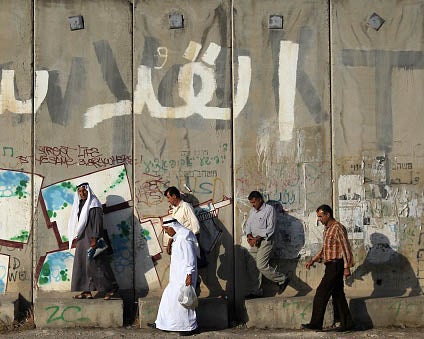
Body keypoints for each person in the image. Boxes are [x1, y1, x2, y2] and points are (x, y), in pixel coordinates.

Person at [302, 204, 354, 332]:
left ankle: (315, 323)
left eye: (320, 216)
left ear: (327, 214)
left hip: (336, 265)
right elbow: (325, 249)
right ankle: (347, 324)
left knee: (321, 293)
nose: (319, 219)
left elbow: (345, 247)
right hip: (330, 265)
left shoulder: (337, 228)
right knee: (338, 294)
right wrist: (313, 260)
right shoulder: (327, 229)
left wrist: (347, 267)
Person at [68, 182, 118, 300]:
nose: (82, 193)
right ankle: (87, 291)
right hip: (82, 239)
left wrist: (94, 238)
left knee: (97, 265)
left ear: (88, 190)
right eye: (80, 191)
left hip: (92, 239)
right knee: (83, 265)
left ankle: (111, 288)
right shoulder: (81, 204)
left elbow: (97, 223)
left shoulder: (94, 204)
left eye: (84, 190)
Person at [150, 219, 199, 335]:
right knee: (168, 299)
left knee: (184, 301)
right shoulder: (179, 237)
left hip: (184, 276)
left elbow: (190, 258)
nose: (166, 232)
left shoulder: (184, 238)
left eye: (167, 229)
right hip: (177, 276)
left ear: (174, 227)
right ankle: (163, 324)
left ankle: (189, 328)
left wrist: (189, 275)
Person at [244, 191, 289, 299]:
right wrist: (249, 236)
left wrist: (257, 238)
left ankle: (282, 279)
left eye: (254, 202)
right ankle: (256, 291)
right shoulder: (252, 211)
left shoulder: (269, 210)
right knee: (251, 265)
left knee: (261, 265)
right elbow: (248, 225)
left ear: (260, 199)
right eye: (251, 203)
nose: (253, 205)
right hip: (255, 242)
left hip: (266, 241)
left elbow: (270, 229)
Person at [164, 186, 207, 268]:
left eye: (169, 197)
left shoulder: (186, 206)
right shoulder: (175, 210)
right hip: (179, 245)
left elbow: (195, 226)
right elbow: (174, 229)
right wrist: (169, 243)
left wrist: (194, 246)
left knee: (190, 269)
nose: (168, 200)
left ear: (174, 196)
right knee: (183, 269)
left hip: (188, 244)